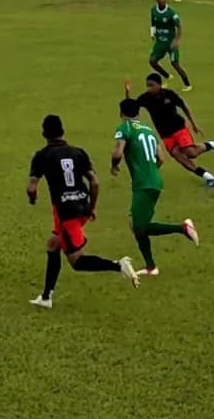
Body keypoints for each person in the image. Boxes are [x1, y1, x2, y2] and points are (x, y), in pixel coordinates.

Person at [26, 115, 140, 308]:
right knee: (53, 244)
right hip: (82, 207)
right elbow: (94, 182)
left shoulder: (42, 155)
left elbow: (31, 188)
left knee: (77, 261)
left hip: (65, 213)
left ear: (44, 133)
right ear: (63, 131)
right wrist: (92, 206)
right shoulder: (79, 152)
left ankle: (119, 265)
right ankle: (46, 297)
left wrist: (32, 198)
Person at [111, 98, 200, 276]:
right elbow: (160, 158)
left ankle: (183, 228)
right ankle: (151, 267)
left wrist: (114, 165)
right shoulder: (149, 130)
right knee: (135, 225)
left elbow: (118, 151)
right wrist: (150, 170)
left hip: (144, 184)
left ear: (121, 113)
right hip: (154, 180)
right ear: (138, 112)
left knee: (140, 226)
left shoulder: (124, 128)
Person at [127, 73, 214, 187]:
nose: (149, 88)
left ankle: (213, 144)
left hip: (179, 128)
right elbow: (130, 108)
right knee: (179, 157)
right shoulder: (145, 98)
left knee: (191, 153)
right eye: (147, 86)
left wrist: (194, 124)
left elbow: (183, 106)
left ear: (159, 85)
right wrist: (127, 92)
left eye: (151, 85)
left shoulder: (169, 95)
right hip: (165, 135)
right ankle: (209, 177)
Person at [148, 0, 191, 90]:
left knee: (175, 64)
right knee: (152, 61)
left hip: (170, 42)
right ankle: (167, 76)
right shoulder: (153, 10)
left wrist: (177, 40)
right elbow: (153, 22)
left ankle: (187, 85)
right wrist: (152, 33)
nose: (162, 0)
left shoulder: (171, 13)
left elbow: (179, 27)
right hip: (160, 41)